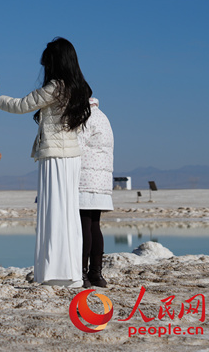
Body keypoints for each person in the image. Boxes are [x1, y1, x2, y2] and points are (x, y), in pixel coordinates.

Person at [0, 37, 92, 287]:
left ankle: (55, 272)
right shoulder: (79, 87)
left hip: (55, 156)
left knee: (53, 211)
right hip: (71, 156)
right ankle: (71, 271)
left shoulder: (56, 87)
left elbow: (23, 104)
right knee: (67, 213)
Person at [77, 97, 114, 288]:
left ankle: (82, 274)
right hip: (101, 181)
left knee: (84, 227)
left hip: (86, 179)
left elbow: (78, 145)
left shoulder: (84, 116)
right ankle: (97, 274)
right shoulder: (102, 116)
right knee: (94, 225)